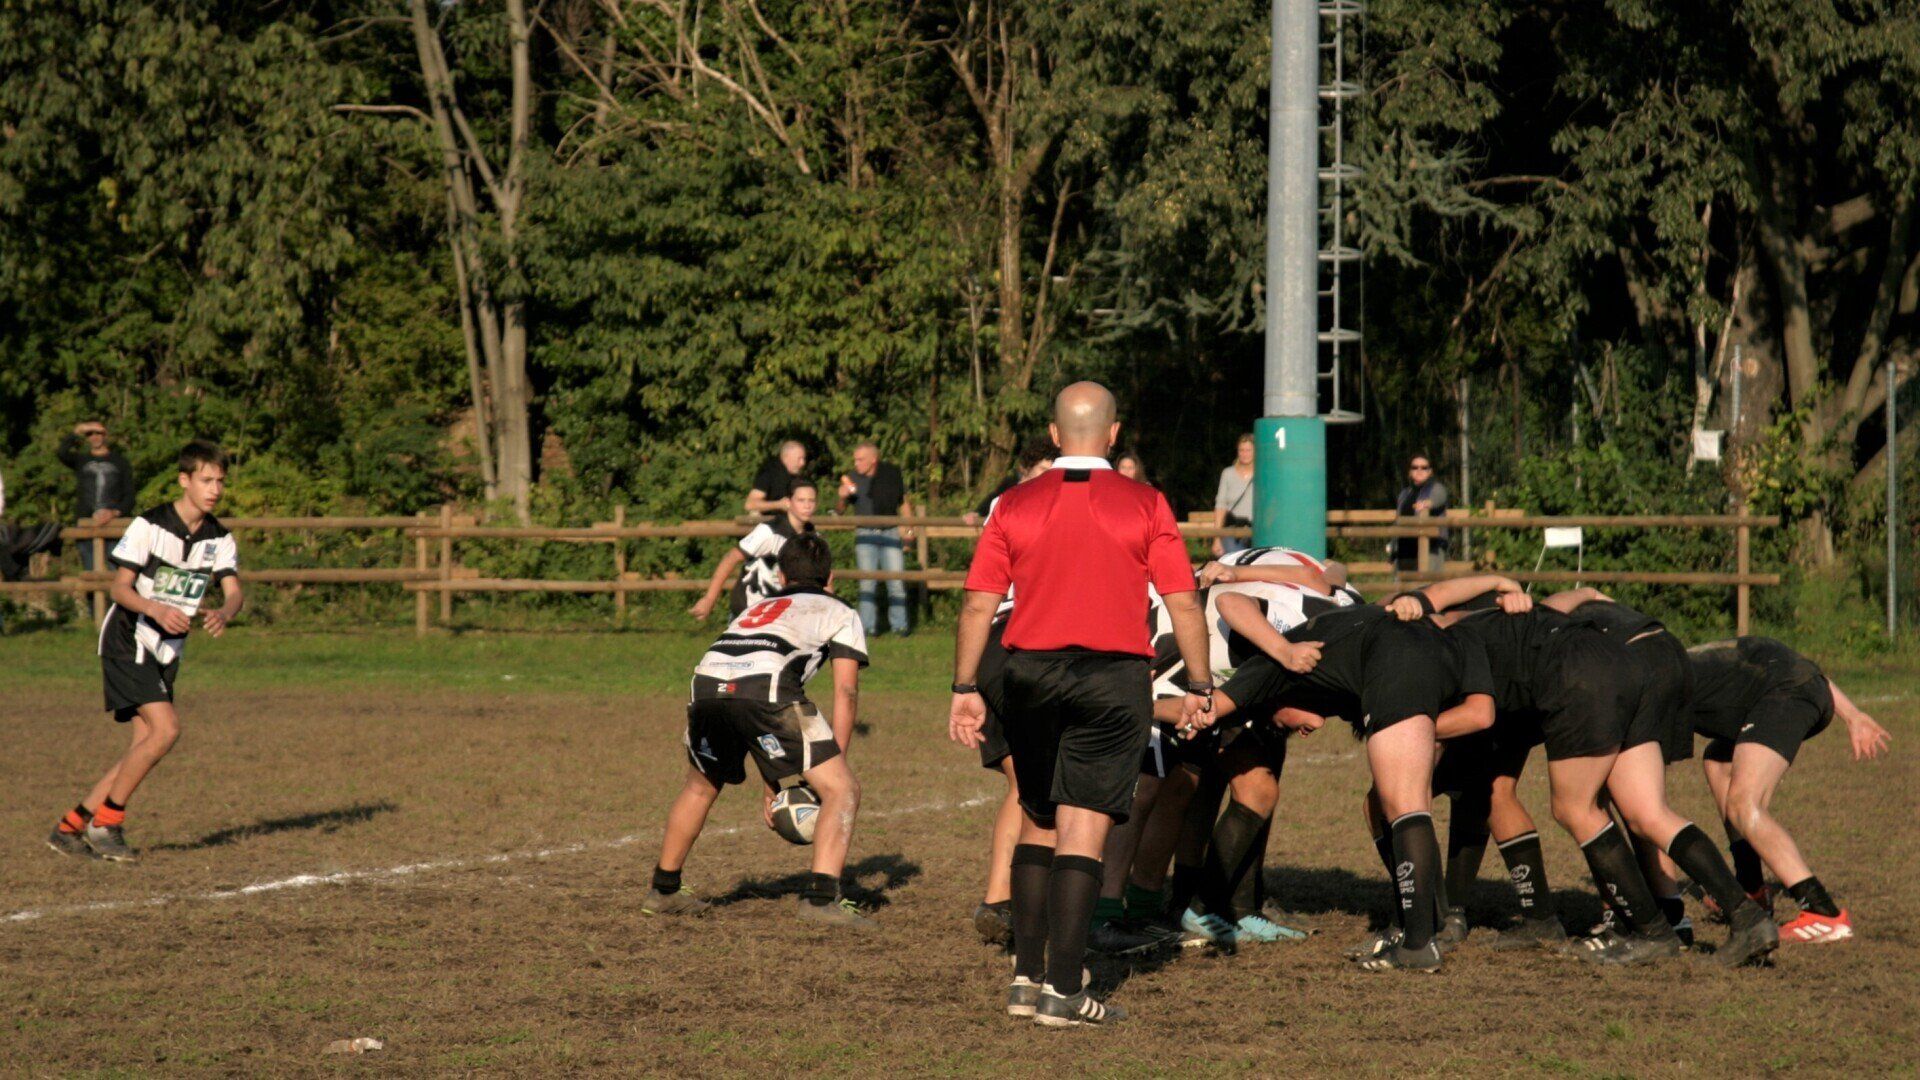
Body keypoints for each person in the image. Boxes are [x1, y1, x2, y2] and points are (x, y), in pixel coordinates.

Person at [949, 381, 1212, 1027]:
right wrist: (1203, 685)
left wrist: (963, 689)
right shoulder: (1147, 502)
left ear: (1057, 434)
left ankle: (1025, 977)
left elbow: (979, 603)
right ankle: (1065, 991)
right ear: (1114, 435)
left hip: (1026, 673)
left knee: (1039, 820)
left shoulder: (1012, 503)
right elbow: (1182, 602)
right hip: (1112, 679)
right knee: (1085, 832)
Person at [1391, 577, 1780, 968]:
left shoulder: (1447, 642)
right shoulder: (1488, 620)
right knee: (1647, 813)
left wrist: (1412, 728)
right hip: (1625, 661)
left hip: (1578, 676)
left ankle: (1652, 932)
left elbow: (1477, 712)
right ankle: (1748, 919)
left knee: (1574, 808)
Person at [1159, 593, 1497, 972]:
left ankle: (1419, 945)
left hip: (1397, 656)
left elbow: (1209, 706)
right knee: (1401, 806)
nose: (1301, 732)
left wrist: (1162, 709)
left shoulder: (1269, 669)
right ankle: (1424, 927)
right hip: (1439, 647)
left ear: (1273, 702)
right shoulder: (1339, 638)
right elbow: (1481, 714)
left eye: (1281, 725)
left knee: (1404, 807)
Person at [643, 533, 873, 929]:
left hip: (706, 683)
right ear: (831, 576)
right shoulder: (839, 611)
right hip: (766, 687)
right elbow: (846, 690)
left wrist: (775, 781)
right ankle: (821, 898)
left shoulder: (759, 606)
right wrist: (835, 763)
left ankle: (663, 889)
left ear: (781, 576)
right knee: (843, 789)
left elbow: (752, 716)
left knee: (700, 786)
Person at [46, 441, 241, 862]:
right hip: (127, 637)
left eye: (220, 481)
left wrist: (225, 612)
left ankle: (70, 826)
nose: (215, 489)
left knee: (145, 744)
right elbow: (119, 587)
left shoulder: (219, 537)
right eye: (206, 480)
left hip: (167, 649)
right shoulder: (148, 525)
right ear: (184, 480)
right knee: (167, 731)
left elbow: (234, 592)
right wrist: (153, 607)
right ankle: (106, 823)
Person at [1682, 637, 1891, 944]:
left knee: (1744, 803)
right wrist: (1853, 715)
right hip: (1801, 687)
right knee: (1719, 759)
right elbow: (1793, 663)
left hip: (1788, 696)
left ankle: (1823, 913)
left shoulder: (1661, 680)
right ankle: (1752, 889)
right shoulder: (1699, 657)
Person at [690, 481, 818, 620]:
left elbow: (821, 577)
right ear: (788, 502)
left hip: (780, 615)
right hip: (749, 612)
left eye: (811, 500)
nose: (807, 505)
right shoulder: (769, 532)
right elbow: (731, 558)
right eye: (801, 500)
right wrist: (709, 599)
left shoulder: (813, 538)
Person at [837, 442, 915, 636]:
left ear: (873, 459)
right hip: (865, 534)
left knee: (896, 581)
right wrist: (842, 496)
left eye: (860, 459)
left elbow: (904, 504)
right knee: (867, 582)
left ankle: (900, 627)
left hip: (890, 531)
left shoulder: (891, 475)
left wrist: (909, 533)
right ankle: (868, 628)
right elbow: (839, 511)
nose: (856, 463)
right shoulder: (852, 478)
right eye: (855, 459)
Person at [58, 420, 137, 570]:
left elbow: (130, 496)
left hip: (115, 526)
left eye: (98, 433)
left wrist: (114, 512)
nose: (94, 437)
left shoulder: (120, 462)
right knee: (91, 571)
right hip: (86, 522)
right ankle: (92, 595)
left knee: (116, 572)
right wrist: (77, 430)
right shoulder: (81, 461)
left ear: (106, 434)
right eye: (89, 433)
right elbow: (62, 453)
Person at [965, 436, 1055, 526]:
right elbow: (995, 498)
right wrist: (978, 513)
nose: (1047, 475)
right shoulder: (1011, 484)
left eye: (1051, 471)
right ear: (1029, 466)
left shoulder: (1054, 491)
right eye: (1043, 469)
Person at [1391, 454, 1448, 573]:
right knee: (1404, 589)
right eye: (1415, 467)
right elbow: (1397, 520)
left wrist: (1428, 503)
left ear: (1430, 471)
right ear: (1410, 471)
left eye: (1424, 467)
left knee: (1427, 588)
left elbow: (1440, 497)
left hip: (1429, 549)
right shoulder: (1404, 494)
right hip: (1404, 549)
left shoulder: (1436, 488)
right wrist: (1393, 547)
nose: (1419, 470)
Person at [1211, 434, 1255, 557]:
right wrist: (1217, 538)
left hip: (1256, 530)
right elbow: (1220, 505)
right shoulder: (1228, 473)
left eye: (1248, 450)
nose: (1245, 454)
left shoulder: (1262, 473)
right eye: (1242, 450)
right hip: (1232, 529)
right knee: (1234, 562)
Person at [745, 440, 808, 514]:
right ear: (786, 457)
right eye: (799, 459)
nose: (803, 463)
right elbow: (750, 505)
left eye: (804, 459)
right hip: (768, 522)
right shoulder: (769, 472)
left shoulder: (799, 477)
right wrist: (779, 504)